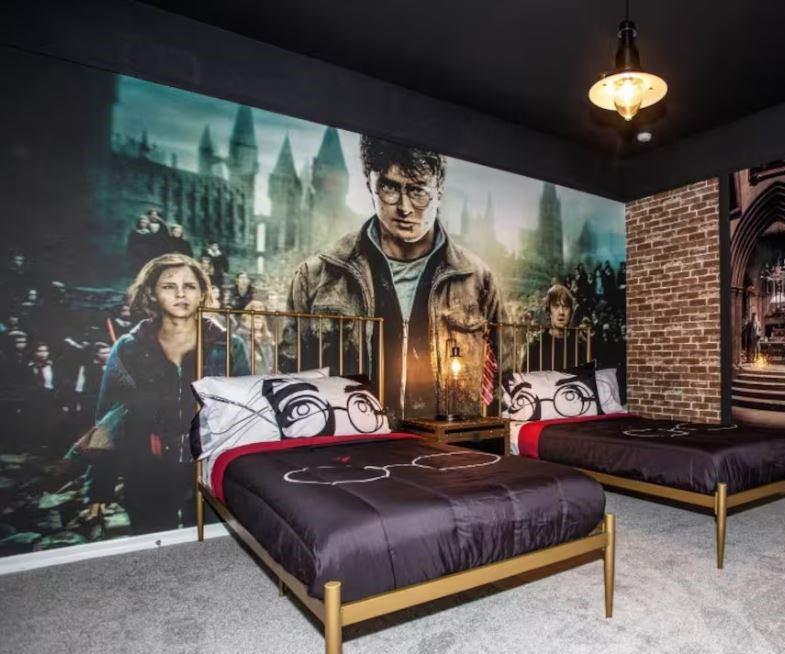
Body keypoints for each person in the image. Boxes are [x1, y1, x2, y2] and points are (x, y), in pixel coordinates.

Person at [287, 137, 502, 419]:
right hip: (353, 437)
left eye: (418, 191)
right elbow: (290, 382)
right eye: (389, 187)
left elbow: (501, 380)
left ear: (439, 192)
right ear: (370, 185)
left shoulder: (478, 279)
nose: (405, 208)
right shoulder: (315, 276)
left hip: (449, 439)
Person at [84, 253, 249, 534]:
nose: (180, 294)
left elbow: (246, 415)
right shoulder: (129, 348)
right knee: (156, 547)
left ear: (202, 293)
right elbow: (109, 420)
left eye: (190, 286)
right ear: (152, 293)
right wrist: (100, 485)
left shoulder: (229, 346)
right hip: (148, 471)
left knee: (212, 547)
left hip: (211, 469)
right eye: (169, 286)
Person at [237, 300, 277, 374]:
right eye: (256, 313)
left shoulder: (265, 330)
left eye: (261, 313)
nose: (259, 316)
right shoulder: (243, 331)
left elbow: (270, 350)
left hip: (266, 367)